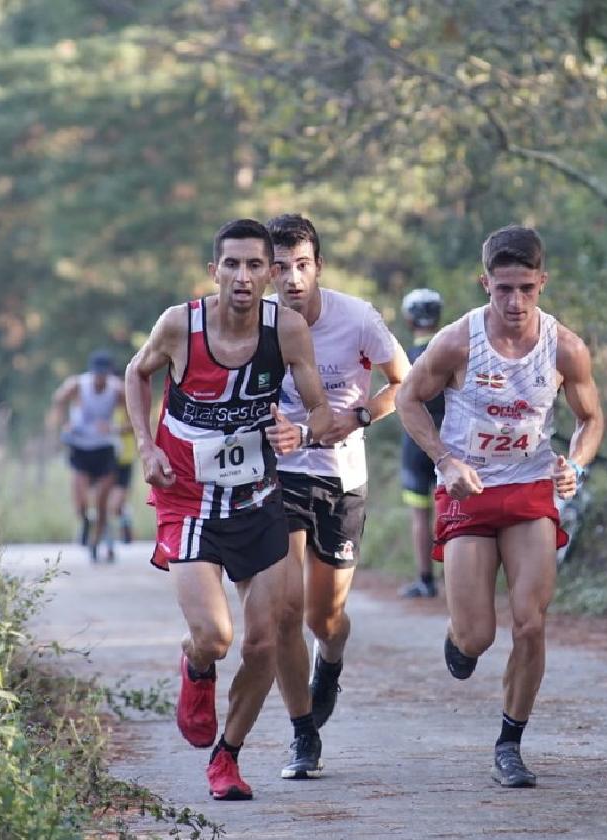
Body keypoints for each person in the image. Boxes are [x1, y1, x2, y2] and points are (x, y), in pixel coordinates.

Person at [124, 217, 333, 801]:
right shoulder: (179, 325)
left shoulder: (287, 330)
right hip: (187, 497)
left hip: (257, 498)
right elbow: (136, 375)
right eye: (232, 265)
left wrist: (302, 434)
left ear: (271, 273)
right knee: (215, 636)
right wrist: (145, 444)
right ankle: (196, 668)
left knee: (264, 642)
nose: (243, 277)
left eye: (254, 265)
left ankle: (228, 756)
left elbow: (319, 411)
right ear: (214, 271)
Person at [396, 225, 603, 787]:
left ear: (542, 282)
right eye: (503, 289)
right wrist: (443, 459)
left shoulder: (566, 347)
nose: (514, 302)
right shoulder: (457, 341)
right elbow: (407, 398)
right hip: (470, 490)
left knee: (530, 623)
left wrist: (575, 465)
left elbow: (591, 418)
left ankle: (510, 743)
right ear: (485, 282)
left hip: (531, 489)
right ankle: (457, 636)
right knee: (477, 637)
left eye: (526, 289)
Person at [265, 214, 409, 778]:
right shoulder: (257, 320)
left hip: (340, 478)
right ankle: (303, 734)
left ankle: (331, 660)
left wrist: (361, 415)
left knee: (325, 619)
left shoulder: (357, 319)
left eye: (302, 265)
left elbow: (406, 381)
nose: (292, 278)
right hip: (277, 476)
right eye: (280, 267)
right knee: (283, 613)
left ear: (318, 266)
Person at [49, 350, 123, 562]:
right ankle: (85, 521)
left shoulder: (118, 390)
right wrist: (65, 423)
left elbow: (135, 418)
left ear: (109, 374)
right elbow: (58, 400)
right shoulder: (77, 385)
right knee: (80, 501)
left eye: (104, 375)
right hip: (80, 446)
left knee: (101, 502)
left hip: (105, 448)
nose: (100, 379)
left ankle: (95, 542)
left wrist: (114, 428)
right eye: (97, 374)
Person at [397, 288, 445, 598]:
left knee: (420, 515)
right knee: (450, 511)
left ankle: (425, 580)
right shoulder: (449, 352)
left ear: (409, 319)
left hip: (415, 444)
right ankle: (458, 578)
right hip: (449, 443)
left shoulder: (404, 359)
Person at [107, 400, 137, 554]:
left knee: (114, 505)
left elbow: (134, 425)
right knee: (105, 503)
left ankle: (124, 520)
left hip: (125, 460)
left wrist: (114, 429)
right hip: (106, 459)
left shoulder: (129, 405)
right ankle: (107, 541)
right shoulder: (106, 407)